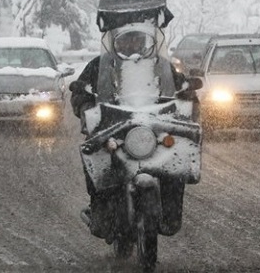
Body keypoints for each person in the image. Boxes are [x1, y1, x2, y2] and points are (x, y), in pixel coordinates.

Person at [69, 28, 198, 239]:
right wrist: (86, 108)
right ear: (115, 41)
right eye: (126, 39)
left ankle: (170, 215)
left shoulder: (160, 66)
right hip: (113, 128)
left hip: (153, 129)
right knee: (96, 159)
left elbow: (182, 90)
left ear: (145, 40)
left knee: (176, 163)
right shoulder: (100, 66)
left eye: (136, 39)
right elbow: (79, 93)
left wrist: (187, 97)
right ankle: (100, 212)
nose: (131, 44)